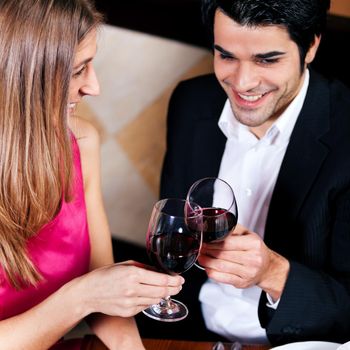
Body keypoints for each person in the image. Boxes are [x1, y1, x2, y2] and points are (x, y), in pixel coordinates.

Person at [157, 0, 350, 346]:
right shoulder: (191, 102)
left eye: (267, 59)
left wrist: (272, 272)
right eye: (226, 56)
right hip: (188, 336)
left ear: (312, 46)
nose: (243, 83)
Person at [0, 0, 184, 349]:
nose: (94, 87)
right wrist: (81, 298)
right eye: (77, 71)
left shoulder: (81, 142)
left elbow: (105, 297)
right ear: (23, 79)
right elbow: (91, 295)